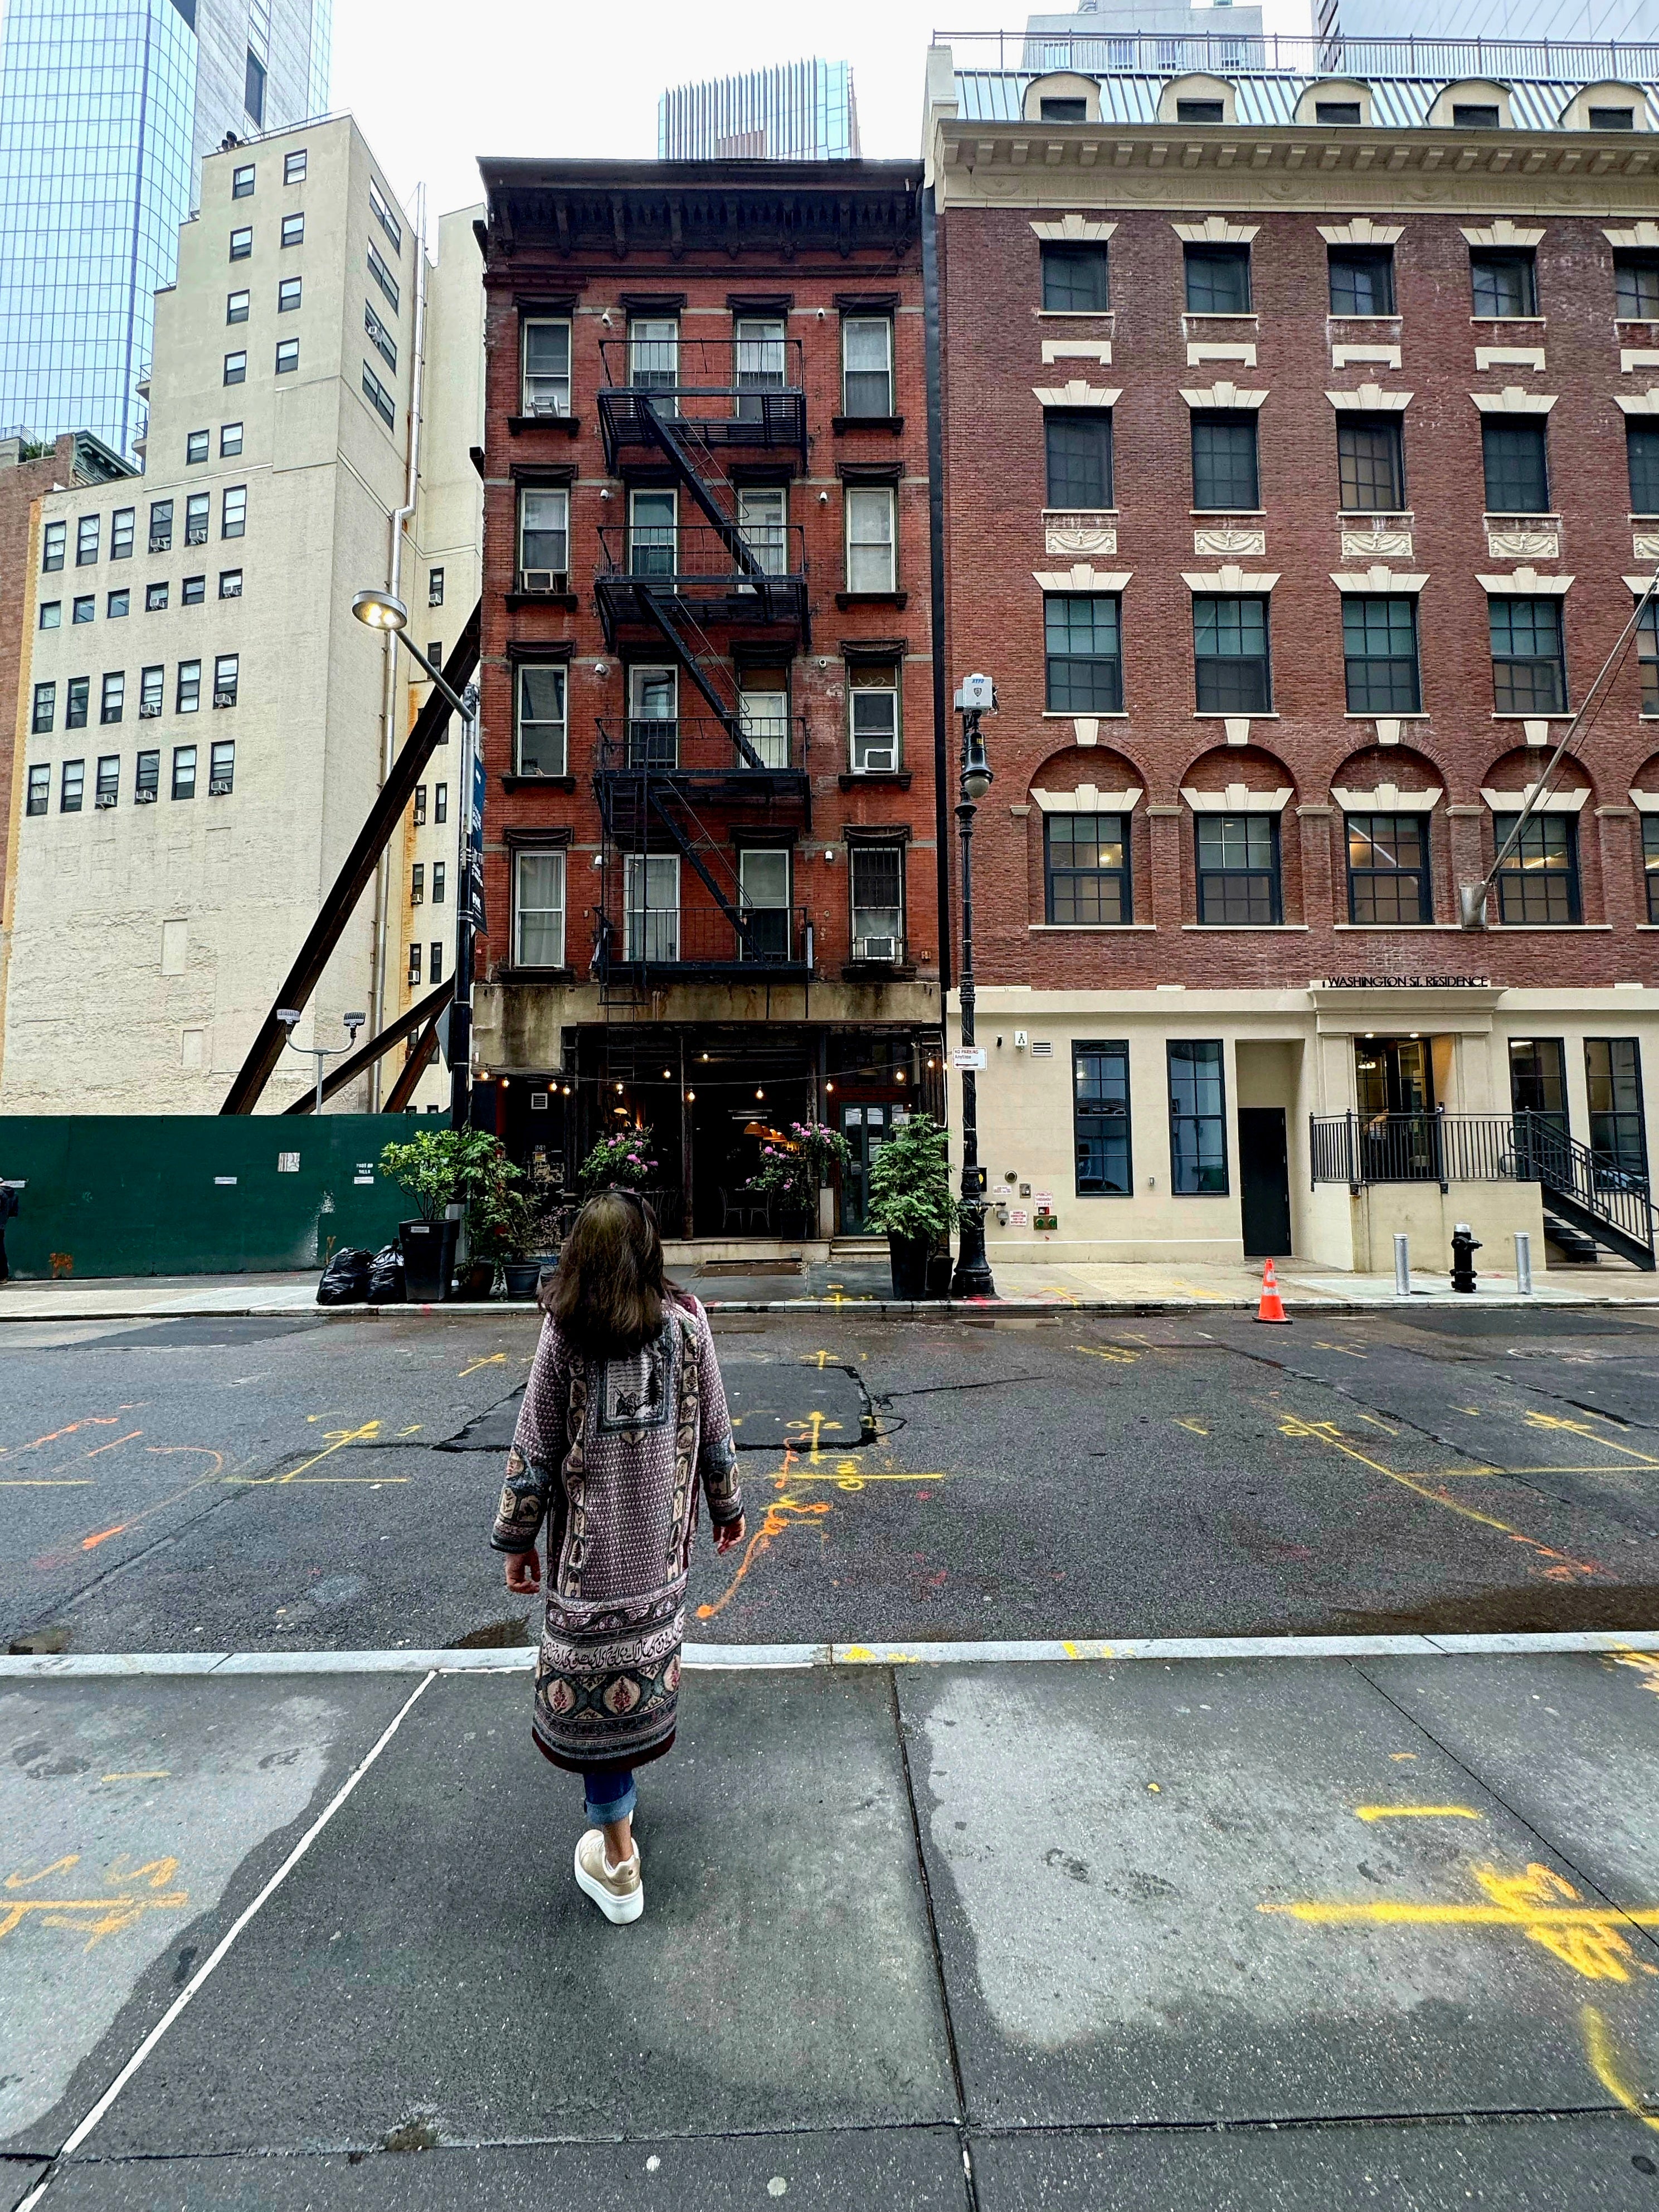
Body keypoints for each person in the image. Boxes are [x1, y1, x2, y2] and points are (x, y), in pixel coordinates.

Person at [492, 1187, 745, 1924]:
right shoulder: (688, 1324)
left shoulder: (565, 1330)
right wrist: (726, 1510)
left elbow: (534, 1443)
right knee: (634, 1677)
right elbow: (718, 1433)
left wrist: (517, 1540)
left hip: (585, 1560)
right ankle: (619, 1821)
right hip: (658, 1558)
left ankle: (619, 1854)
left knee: (595, 1696)